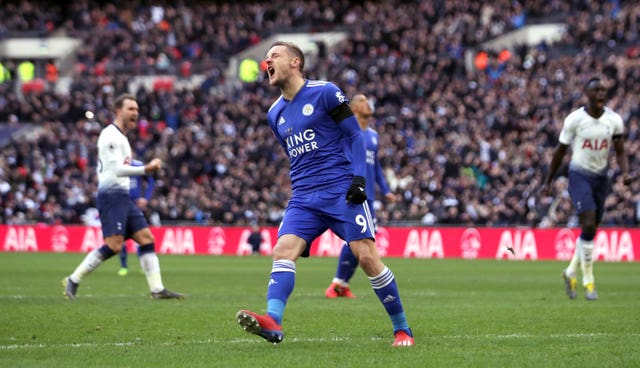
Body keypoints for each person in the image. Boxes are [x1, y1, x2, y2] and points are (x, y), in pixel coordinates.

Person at [235, 41, 414, 347]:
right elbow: (296, 155)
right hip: (304, 197)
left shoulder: (325, 92)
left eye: (274, 55)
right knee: (283, 252)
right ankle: (273, 321)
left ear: (295, 62)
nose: (267, 61)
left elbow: (355, 136)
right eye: (266, 58)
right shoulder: (274, 114)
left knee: (367, 258)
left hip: (340, 191)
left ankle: (402, 329)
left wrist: (358, 179)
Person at [62, 93, 184, 300]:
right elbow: (117, 170)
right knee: (114, 246)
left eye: (137, 109)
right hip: (111, 196)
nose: (135, 113)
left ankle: (157, 290)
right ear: (118, 111)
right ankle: (73, 279)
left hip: (123, 196)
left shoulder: (122, 138)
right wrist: (146, 169)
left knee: (146, 238)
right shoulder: (110, 136)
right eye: (131, 109)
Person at [541, 77, 630, 301]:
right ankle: (588, 282)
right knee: (588, 223)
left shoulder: (614, 120)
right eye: (596, 90)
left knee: (590, 231)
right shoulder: (575, 120)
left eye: (603, 90)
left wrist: (625, 172)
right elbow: (560, 151)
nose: (601, 93)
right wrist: (549, 180)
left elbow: (620, 150)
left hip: (601, 178)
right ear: (587, 94)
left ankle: (570, 271)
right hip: (579, 175)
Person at [324, 93, 396, 298]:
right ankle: (337, 283)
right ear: (354, 108)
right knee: (359, 238)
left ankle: (342, 284)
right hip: (352, 191)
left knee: (362, 240)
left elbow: (376, 166)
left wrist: (386, 190)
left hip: (370, 196)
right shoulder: (347, 132)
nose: (369, 104)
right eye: (363, 100)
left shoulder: (373, 135)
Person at [118, 159, 156, 276]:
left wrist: (146, 198)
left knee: (140, 236)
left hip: (135, 206)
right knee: (121, 237)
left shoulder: (137, 165)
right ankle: (124, 266)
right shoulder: (117, 165)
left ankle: (143, 265)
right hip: (121, 205)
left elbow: (151, 180)